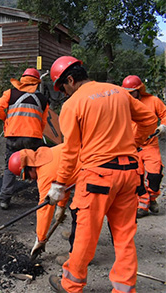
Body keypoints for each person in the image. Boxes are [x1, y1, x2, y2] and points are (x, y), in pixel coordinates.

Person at [46, 56, 157, 293]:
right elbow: (149, 119)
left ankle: (71, 285)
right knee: (124, 235)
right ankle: (124, 289)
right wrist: (134, 143)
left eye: (63, 87)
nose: (64, 93)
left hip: (97, 178)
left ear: (71, 80)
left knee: (86, 234)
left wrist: (59, 184)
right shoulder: (119, 92)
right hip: (129, 174)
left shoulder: (73, 104)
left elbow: (69, 152)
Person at [8, 144, 80, 261]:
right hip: (93, 165)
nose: (30, 180)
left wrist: (40, 239)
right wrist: (61, 207)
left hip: (95, 170)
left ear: (30, 166)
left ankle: (77, 257)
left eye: (27, 176)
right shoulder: (47, 154)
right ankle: (75, 236)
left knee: (80, 213)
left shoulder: (45, 174)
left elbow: (44, 210)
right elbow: (64, 182)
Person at [0, 68, 49, 210]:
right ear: (37, 82)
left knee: (10, 167)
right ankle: (42, 198)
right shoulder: (43, 99)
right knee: (37, 167)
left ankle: (5, 199)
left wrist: (6, 120)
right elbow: (43, 122)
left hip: (13, 136)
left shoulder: (10, 93)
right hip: (33, 138)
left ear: (22, 78)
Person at [122, 75, 166, 218]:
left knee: (155, 174)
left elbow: (164, 114)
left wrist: (163, 126)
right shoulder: (123, 104)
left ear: (139, 90)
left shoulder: (153, 101)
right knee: (137, 177)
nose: (130, 95)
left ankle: (152, 198)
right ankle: (143, 203)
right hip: (133, 146)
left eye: (132, 92)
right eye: (127, 93)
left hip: (150, 144)